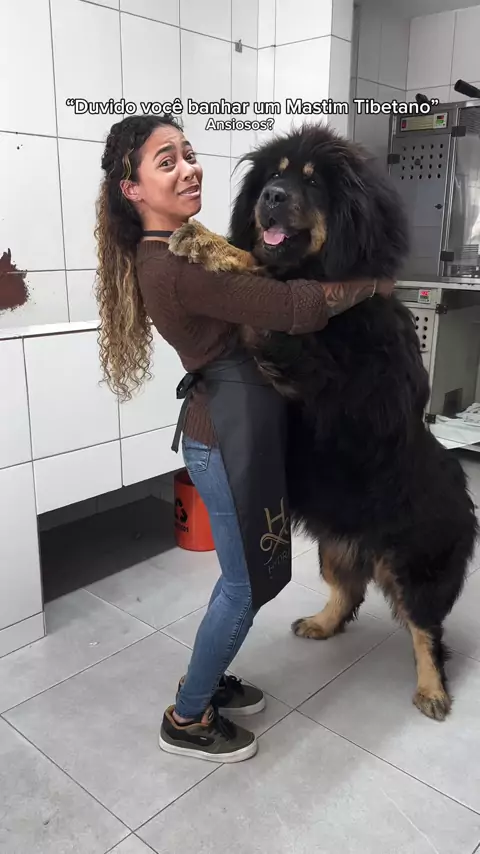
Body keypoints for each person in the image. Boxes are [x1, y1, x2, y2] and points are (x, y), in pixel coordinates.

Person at [94, 114, 394, 764]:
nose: (189, 168)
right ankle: (188, 715)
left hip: (233, 430)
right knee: (244, 584)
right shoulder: (177, 268)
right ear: (132, 189)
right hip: (223, 439)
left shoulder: (186, 246)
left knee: (248, 575)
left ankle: (209, 676)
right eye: (167, 161)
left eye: (189, 153)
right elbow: (295, 308)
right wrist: (372, 285)